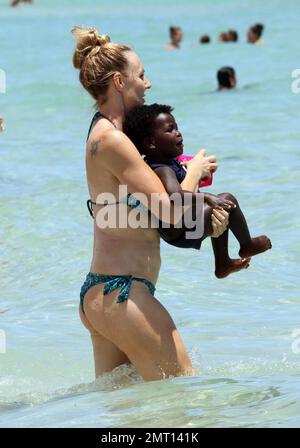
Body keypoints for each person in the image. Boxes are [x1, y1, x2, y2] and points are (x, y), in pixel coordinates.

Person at [71, 26, 229, 382]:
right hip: (123, 294)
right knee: (180, 396)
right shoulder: (112, 140)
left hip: (102, 294)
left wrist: (207, 221)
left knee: (128, 416)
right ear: (119, 82)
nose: (148, 84)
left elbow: (138, 216)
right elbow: (171, 210)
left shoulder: (104, 134)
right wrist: (195, 171)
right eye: (141, 75)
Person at [124, 103, 272, 278]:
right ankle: (246, 245)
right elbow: (176, 196)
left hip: (181, 228)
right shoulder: (162, 169)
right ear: (151, 143)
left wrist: (198, 172)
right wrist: (208, 197)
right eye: (170, 130)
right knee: (226, 199)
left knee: (220, 204)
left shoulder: (169, 162)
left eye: (177, 127)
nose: (178, 133)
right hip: (182, 232)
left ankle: (223, 263)